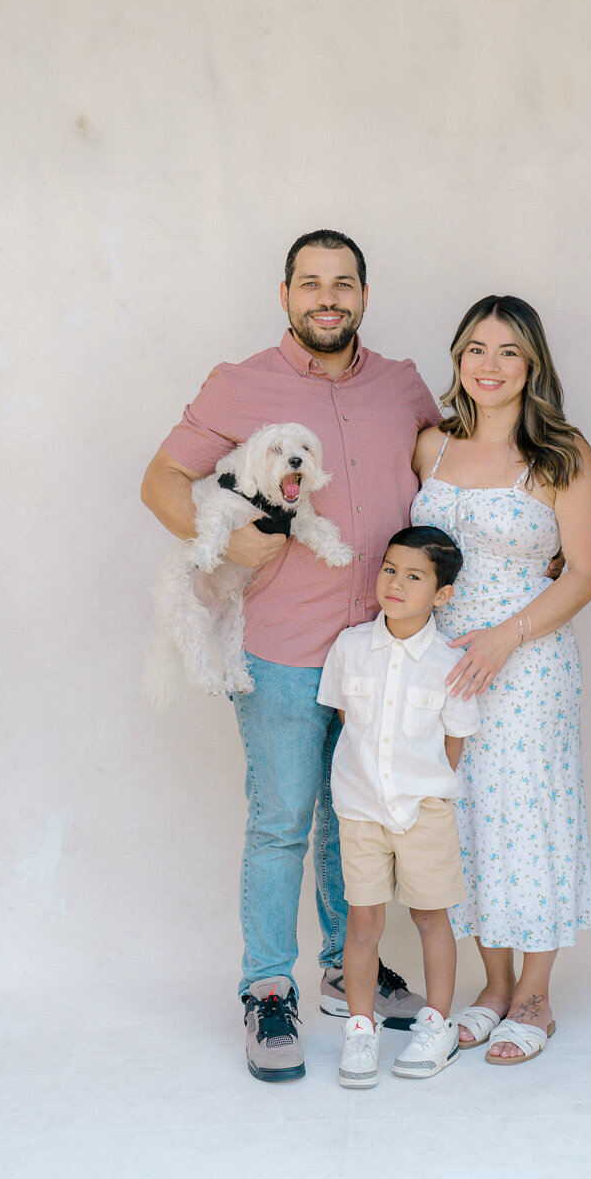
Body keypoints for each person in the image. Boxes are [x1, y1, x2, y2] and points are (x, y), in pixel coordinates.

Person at [141, 230, 439, 1083]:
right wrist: (232, 552)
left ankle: (352, 972)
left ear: (364, 295)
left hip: (381, 651)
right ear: (285, 295)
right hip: (282, 647)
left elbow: (454, 470)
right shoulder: (240, 384)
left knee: (360, 824)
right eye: (311, 284)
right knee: (282, 823)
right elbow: (161, 480)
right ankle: (268, 989)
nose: (328, 298)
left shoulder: (403, 384)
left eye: (343, 284)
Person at [411, 295, 591, 1065]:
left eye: (508, 353)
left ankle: (535, 996)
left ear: (532, 366)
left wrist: (506, 635)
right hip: (446, 666)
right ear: (458, 359)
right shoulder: (431, 447)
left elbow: (588, 570)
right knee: (465, 819)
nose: (489, 367)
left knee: (528, 819)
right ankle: (491, 988)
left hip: (528, 663)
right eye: (475, 350)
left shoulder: (562, 454)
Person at [317, 527, 481, 1086]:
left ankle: (436, 1026)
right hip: (361, 808)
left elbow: (454, 740)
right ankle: (359, 1029)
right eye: (390, 569)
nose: (396, 583)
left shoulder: (449, 662)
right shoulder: (350, 646)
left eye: (415, 576)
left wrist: (421, 785)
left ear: (442, 594)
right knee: (362, 921)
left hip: (424, 811)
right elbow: (346, 718)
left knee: (431, 916)